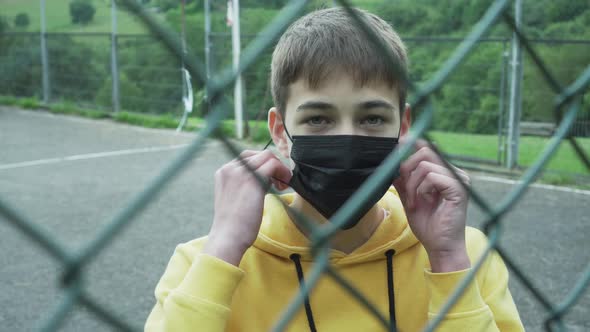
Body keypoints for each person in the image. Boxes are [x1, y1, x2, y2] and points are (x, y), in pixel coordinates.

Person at [145, 7, 524, 332]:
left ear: (403, 127)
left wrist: (447, 260)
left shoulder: (466, 252)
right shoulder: (206, 263)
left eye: (373, 118)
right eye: (318, 119)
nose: (347, 139)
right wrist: (225, 246)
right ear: (280, 132)